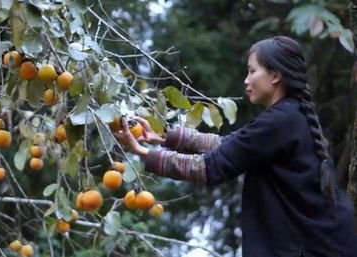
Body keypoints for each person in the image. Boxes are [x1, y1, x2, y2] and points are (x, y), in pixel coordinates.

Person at [113, 36, 357, 257]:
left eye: (252, 71)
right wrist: (162, 136)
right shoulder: (288, 115)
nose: (246, 80)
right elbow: (229, 145)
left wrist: (143, 153)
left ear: (275, 75)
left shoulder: (280, 120)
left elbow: (210, 167)